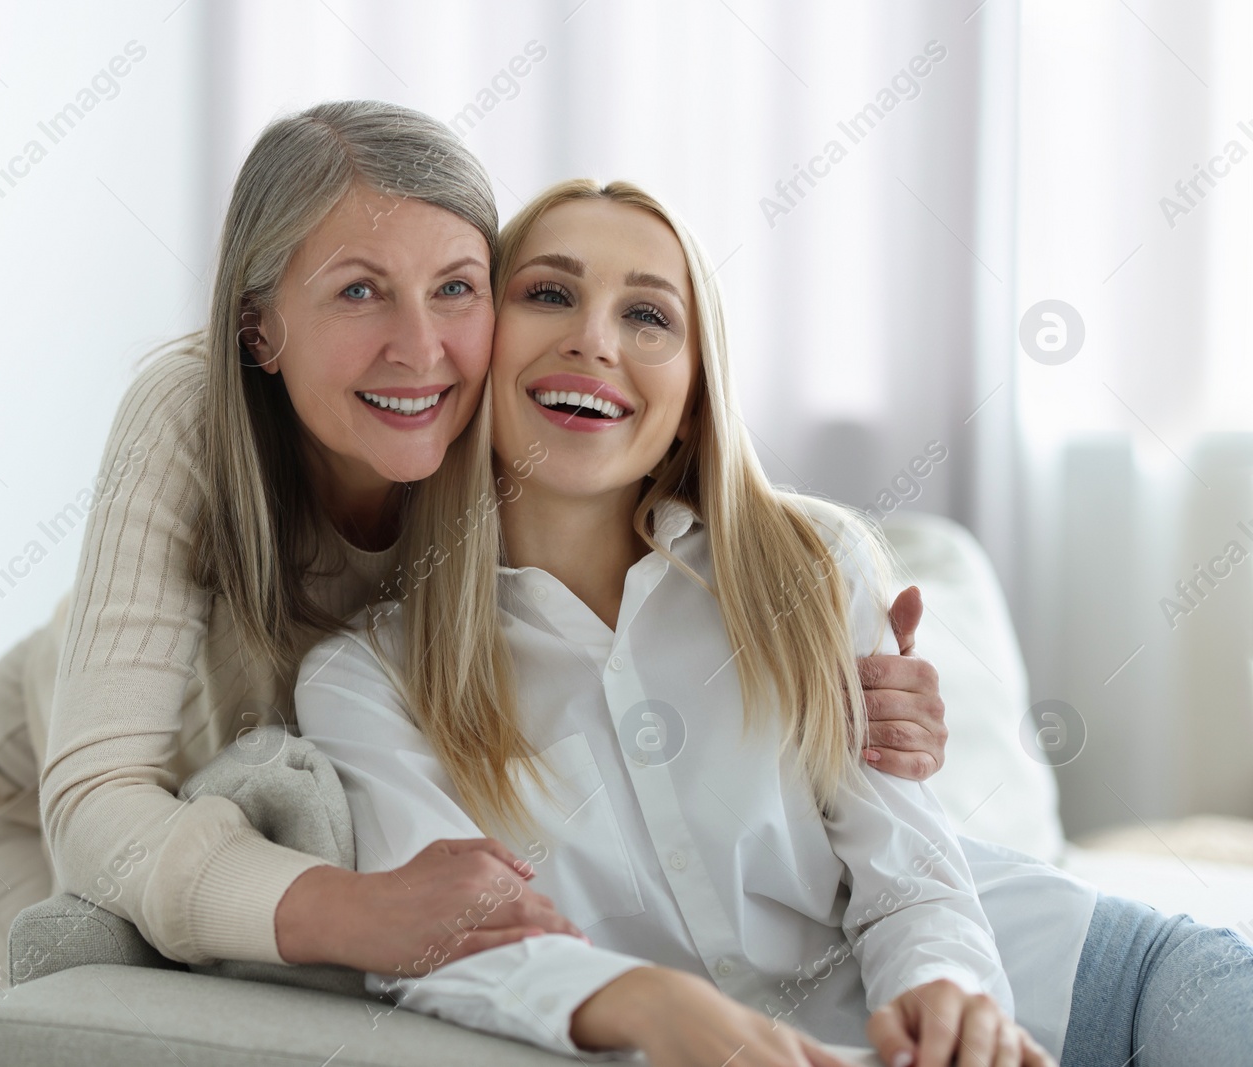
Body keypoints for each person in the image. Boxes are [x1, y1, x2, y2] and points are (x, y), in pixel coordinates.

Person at [0, 100, 952, 986]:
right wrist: (350, 908)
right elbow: (99, 804)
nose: (420, 349)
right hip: (46, 791)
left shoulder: (506, 403)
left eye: (457, 287)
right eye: (357, 289)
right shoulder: (191, 418)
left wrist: (847, 679)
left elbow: (678, 487)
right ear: (258, 329)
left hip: (288, 812)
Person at [293, 179, 1253, 1067]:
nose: (595, 339)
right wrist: (648, 1001)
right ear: (479, 341)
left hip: (1093, 983)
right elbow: (446, 940)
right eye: (549, 294)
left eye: (647, 315)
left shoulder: (807, 567)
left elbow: (909, 874)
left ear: (691, 398)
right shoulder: (367, 682)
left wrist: (946, 997)